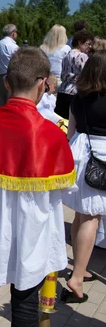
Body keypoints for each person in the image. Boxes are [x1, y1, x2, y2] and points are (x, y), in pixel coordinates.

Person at [0, 47, 76, 326]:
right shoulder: (53, 135)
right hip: (31, 235)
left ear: (7, 82)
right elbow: (65, 193)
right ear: (42, 84)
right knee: (24, 304)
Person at [61, 50, 106, 303]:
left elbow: (71, 131)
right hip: (101, 157)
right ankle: (76, 278)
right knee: (92, 217)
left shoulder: (78, 98)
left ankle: (80, 267)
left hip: (79, 153)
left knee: (81, 213)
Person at [55, 30, 94, 119]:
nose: (90, 47)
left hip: (62, 90)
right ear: (80, 42)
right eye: (88, 44)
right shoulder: (82, 56)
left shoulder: (67, 55)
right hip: (75, 92)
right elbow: (86, 74)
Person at [0, 24, 19, 107]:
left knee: (2, 103)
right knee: (11, 102)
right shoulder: (13, 46)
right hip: (11, 76)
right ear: (13, 33)